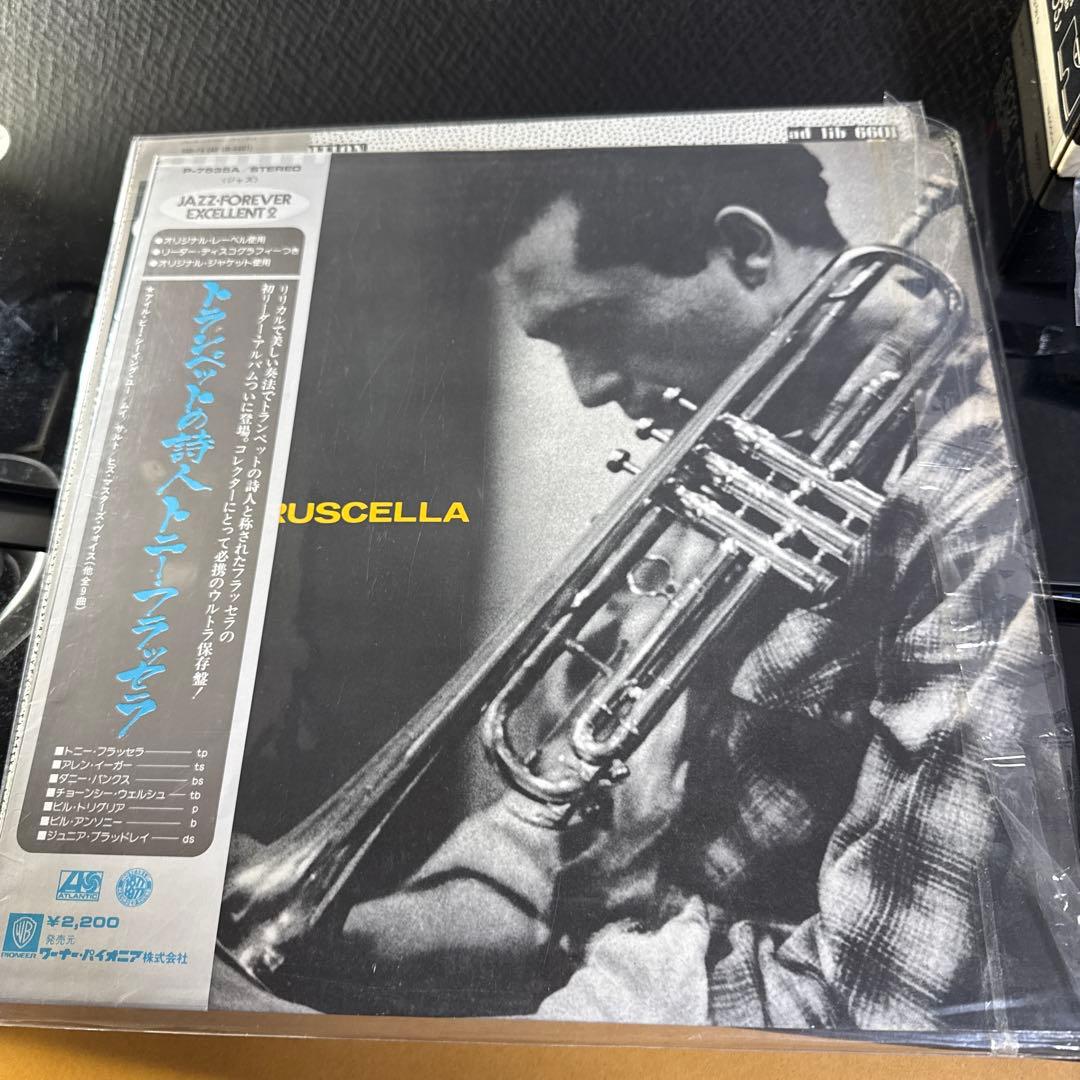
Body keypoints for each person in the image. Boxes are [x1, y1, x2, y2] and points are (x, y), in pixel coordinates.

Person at [222, 146, 1080, 1031]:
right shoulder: (731, 439)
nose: (590, 389)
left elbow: (878, 994)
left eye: (594, 324)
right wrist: (335, 941)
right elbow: (549, 836)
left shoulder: (987, 494)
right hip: (611, 1003)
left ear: (746, 249)